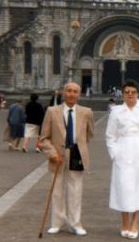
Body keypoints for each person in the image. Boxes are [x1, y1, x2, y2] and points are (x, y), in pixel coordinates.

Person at [39, 83, 95, 236]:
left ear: (79, 95)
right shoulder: (52, 111)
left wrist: (79, 146)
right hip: (57, 156)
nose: (71, 94)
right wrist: (52, 153)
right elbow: (43, 138)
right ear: (64, 93)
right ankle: (56, 222)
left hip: (76, 154)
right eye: (69, 91)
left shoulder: (86, 112)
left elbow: (89, 134)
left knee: (76, 191)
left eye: (75, 92)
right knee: (57, 191)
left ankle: (75, 224)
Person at [106, 80, 139, 239]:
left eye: (133, 92)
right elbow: (110, 135)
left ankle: (135, 222)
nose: (130, 95)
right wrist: (114, 153)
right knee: (123, 187)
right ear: (122, 94)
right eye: (127, 92)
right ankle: (124, 222)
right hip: (122, 150)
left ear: (138, 93)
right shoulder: (116, 111)